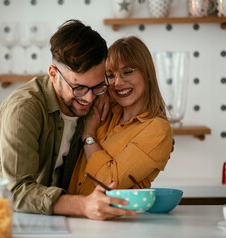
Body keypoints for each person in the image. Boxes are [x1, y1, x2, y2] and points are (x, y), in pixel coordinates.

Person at [0, 19, 136, 220]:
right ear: (53, 74)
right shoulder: (24, 108)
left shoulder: (94, 98)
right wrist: (83, 205)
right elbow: (15, 191)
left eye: (97, 86)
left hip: (44, 219)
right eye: (78, 87)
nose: (88, 98)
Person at [68, 36, 173, 195]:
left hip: (115, 218)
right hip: (73, 213)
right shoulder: (103, 109)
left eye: (128, 72)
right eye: (111, 75)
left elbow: (111, 181)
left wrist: (89, 135)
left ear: (147, 73)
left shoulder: (157, 130)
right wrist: (103, 91)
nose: (118, 82)